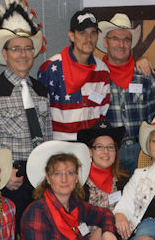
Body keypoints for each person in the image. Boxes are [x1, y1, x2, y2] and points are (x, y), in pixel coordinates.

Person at [0, 0, 53, 236]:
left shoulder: (41, 90)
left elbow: (48, 137)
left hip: (40, 177)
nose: (23, 54)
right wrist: (2, 176)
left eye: (28, 48)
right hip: (12, 180)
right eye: (16, 49)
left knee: (39, 235)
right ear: (5, 54)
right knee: (13, 237)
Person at [97, 13, 155, 174]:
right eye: (115, 39)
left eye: (126, 39)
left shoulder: (144, 74)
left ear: (131, 43)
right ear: (106, 42)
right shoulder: (96, 77)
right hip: (109, 153)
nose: (121, 44)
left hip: (142, 150)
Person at [37, 9, 111, 141]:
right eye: (83, 33)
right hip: (59, 149)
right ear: (71, 36)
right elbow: (41, 114)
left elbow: (103, 110)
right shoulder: (50, 68)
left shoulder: (102, 71)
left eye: (93, 33)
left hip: (90, 146)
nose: (88, 39)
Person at [77, 120, 128, 240]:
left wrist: (103, 229)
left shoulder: (125, 181)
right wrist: (88, 239)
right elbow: (73, 218)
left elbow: (132, 215)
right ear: (90, 151)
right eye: (99, 147)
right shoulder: (77, 181)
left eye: (110, 147)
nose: (106, 152)